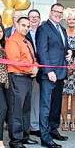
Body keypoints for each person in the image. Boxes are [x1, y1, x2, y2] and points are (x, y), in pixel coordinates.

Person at [36, 3, 71, 148]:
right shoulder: (44, 28)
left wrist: (69, 52)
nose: (58, 14)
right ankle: (45, 137)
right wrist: (48, 71)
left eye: (60, 12)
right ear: (50, 12)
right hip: (49, 74)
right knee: (46, 105)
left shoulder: (62, 29)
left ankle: (53, 129)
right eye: (56, 11)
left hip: (61, 73)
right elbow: (42, 51)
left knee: (56, 104)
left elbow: (64, 47)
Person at [5, 16, 39, 148]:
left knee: (26, 109)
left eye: (27, 26)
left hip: (28, 78)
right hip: (17, 77)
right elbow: (15, 61)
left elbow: (33, 58)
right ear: (17, 25)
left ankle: (25, 135)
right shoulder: (12, 41)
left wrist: (35, 67)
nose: (25, 28)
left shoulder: (27, 41)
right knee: (16, 110)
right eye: (23, 25)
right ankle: (15, 139)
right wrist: (31, 68)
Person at [61, 11, 75, 132]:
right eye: (69, 19)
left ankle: (73, 122)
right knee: (64, 96)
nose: (71, 21)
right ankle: (64, 121)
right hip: (63, 68)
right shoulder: (62, 34)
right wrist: (65, 66)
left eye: (73, 19)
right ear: (66, 20)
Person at [27, 9, 42, 137]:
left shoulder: (43, 31)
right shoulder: (24, 33)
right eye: (31, 17)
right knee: (31, 99)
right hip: (28, 71)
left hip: (43, 69)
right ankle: (32, 125)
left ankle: (37, 124)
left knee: (39, 98)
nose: (34, 19)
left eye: (36, 17)